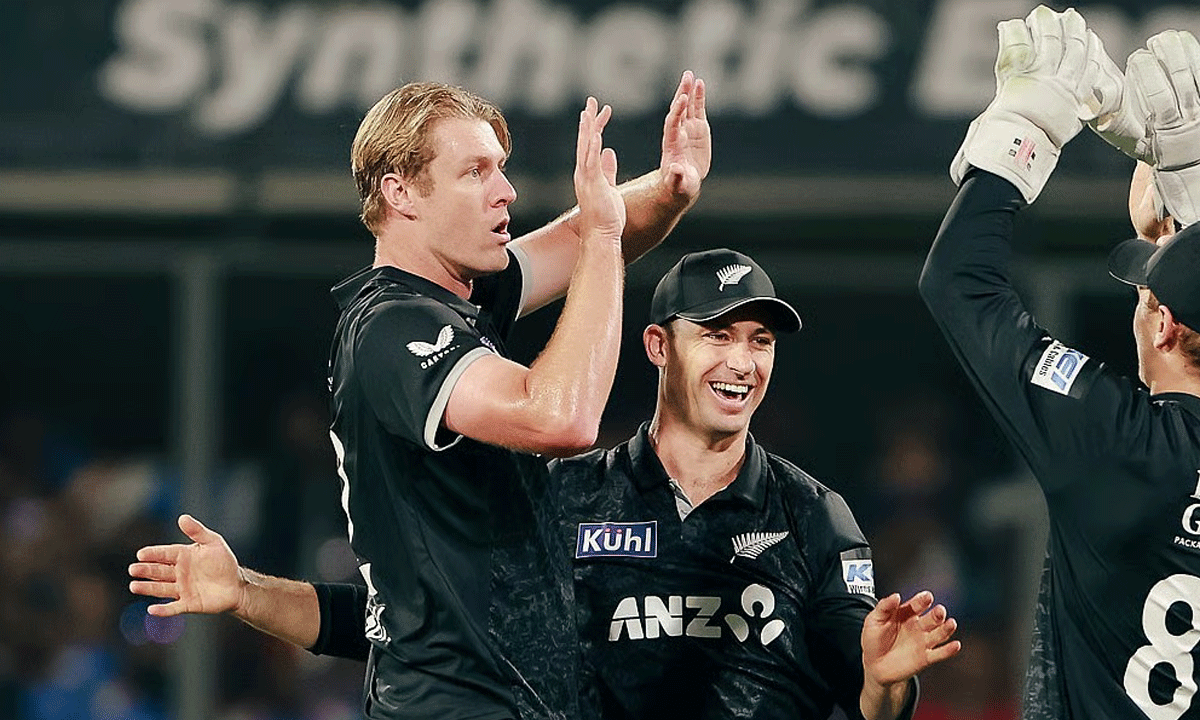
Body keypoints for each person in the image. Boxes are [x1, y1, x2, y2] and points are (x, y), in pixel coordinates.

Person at [133, 249, 961, 720]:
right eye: (717, 335)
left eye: (760, 341)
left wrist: (888, 678)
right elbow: (406, 625)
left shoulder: (813, 513)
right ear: (658, 347)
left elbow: (867, 690)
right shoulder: (562, 499)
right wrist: (243, 592)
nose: (742, 361)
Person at [322, 71, 710, 720]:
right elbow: (559, 418)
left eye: (500, 169)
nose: (505, 191)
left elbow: (577, 237)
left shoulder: (454, 302)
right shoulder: (391, 326)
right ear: (400, 192)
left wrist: (671, 186)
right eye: (475, 172)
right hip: (451, 706)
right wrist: (603, 237)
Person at [920, 6, 1200, 718]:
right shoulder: (1117, 433)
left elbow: (960, 283)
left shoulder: (1117, 438)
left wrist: (1025, 133)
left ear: (1164, 325)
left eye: (1143, 293)